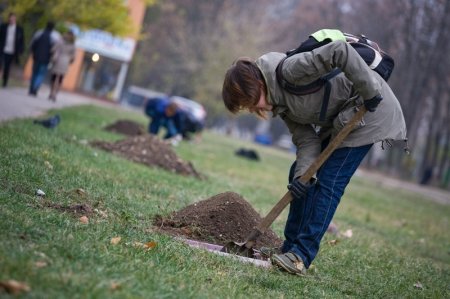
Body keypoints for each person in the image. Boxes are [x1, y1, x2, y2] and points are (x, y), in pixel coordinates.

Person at [222, 37, 407, 275]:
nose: (254, 109)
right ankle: (289, 249)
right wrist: (302, 178)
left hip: (368, 111)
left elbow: (340, 50)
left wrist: (370, 91)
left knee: (329, 181)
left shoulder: (290, 71)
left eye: (250, 102)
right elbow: (307, 141)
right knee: (298, 174)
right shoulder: (280, 104)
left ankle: (300, 256)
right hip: (343, 118)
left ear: (256, 84)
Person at [29, 21, 61, 96]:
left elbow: (33, 44)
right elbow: (55, 49)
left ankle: (31, 88)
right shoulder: (55, 36)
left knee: (34, 73)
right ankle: (35, 88)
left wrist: (33, 52)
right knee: (41, 74)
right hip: (46, 58)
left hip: (36, 56)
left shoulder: (39, 33)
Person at [48, 30, 76, 101]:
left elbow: (53, 49)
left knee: (54, 77)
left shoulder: (60, 41)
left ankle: (51, 92)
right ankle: (55, 94)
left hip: (57, 60)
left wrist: (54, 54)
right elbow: (73, 56)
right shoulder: (72, 45)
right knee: (60, 78)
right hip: (65, 62)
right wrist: (70, 60)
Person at [0, 12, 25, 87]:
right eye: (10, 18)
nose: (12, 20)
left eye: (13, 18)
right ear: (9, 19)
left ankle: (5, 81)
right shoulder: (3, 27)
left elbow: (21, 41)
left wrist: (20, 50)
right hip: (2, 49)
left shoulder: (19, 29)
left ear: (15, 19)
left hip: (12, 51)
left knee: (7, 67)